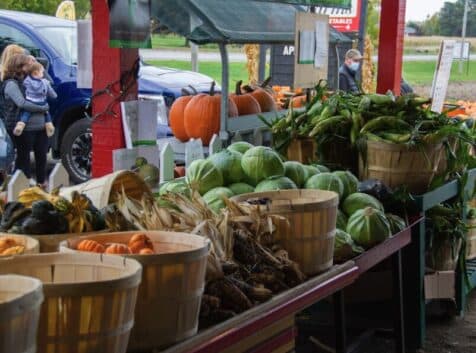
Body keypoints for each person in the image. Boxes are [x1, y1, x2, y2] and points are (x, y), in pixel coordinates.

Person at [1, 54, 50, 187]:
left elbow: (47, 90)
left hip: (32, 124)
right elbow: (22, 103)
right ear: (18, 67)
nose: (31, 66)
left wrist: (41, 72)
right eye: (27, 64)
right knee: (23, 157)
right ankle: (21, 183)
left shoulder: (28, 81)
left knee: (38, 154)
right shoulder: (11, 84)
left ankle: (37, 183)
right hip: (16, 124)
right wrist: (42, 107)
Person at [13, 61, 56, 137]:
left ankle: (21, 124)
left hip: (30, 100)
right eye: (42, 72)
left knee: (26, 113)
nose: (43, 75)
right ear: (36, 73)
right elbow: (53, 95)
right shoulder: (45, 82)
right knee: (46, 113)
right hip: (42, 102)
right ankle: (49, 126)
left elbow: (23, 86)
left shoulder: (27, 81)